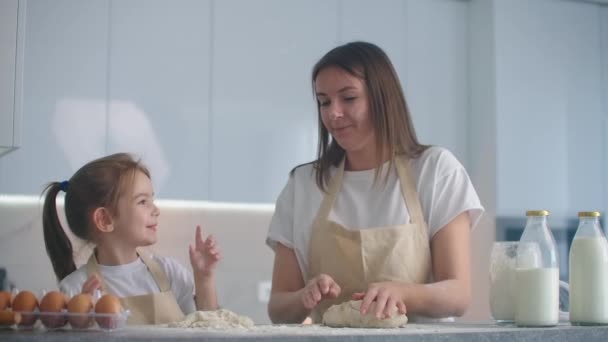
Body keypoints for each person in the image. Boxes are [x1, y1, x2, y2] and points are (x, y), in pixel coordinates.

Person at [266, 41, 484, 324]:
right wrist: (303, 296)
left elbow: (458, 294)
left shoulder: (435, 171)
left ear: (382, 98)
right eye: (324, 101)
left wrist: (402, 293)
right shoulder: (304, 185)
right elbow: (278, 307)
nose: (333, 113)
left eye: (349, 98)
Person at [42, 153, 221, 325]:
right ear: (104, 219)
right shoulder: (75, 290)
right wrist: (82, 322)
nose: (156, 210)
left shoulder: (170, 273)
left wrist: (204, 279)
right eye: (142, 201)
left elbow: (206, 330)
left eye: (152, 199)